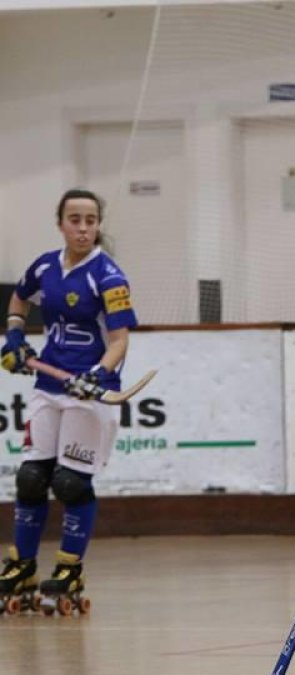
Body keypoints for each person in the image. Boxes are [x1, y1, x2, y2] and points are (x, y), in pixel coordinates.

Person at [0, 188, 138, 614]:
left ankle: (69, 568)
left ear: (98, 225)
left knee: (71, 483)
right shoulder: (44, 266)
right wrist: (15, 335)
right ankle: (22, 566)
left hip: (88, 392)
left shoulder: (109, 276)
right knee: (31, 478)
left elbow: (120, 341)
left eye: (90, 221)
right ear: (60, 223)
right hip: (48, 385)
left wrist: (96, 374)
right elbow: (19, 298)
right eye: (74, 220)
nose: (82, 228)